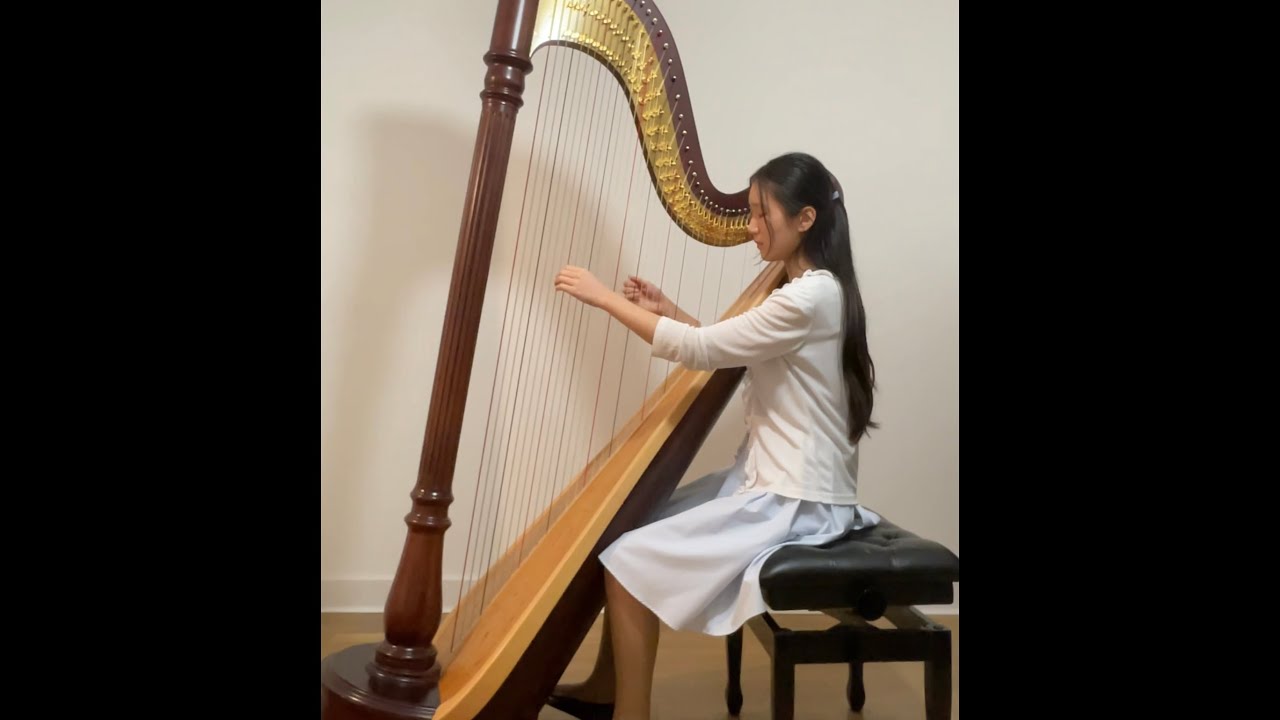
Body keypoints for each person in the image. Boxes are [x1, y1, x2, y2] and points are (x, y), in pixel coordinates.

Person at [550, 151, 879, 720]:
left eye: (760, 214)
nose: (750, 227)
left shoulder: (809, 296)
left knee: (628, 563)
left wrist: (603, 298)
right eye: (749, 213)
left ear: (805, 219)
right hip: (766, 479)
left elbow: (704, 350)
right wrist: (667, 310)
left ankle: (630, 712)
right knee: (630, 526)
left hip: (795, 499)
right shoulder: (805, 292)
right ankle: (607, 688)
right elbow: (731, 346)